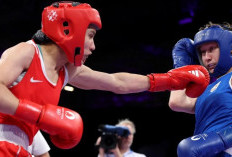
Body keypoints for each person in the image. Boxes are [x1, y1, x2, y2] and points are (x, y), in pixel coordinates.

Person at [0, 1, 209, 156]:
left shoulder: (67, 71)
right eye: (90, 36)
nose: (93, 46)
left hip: (21, 148)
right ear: (68, 30)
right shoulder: (26, 52)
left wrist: (167, 81)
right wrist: (39, 115)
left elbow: (116, 82)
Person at [169, 22, 232, 157]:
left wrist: (222, 138)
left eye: (211, 49)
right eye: (202, 52)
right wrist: (181, 67)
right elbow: (177, 102)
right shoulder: (209, 89)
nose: (206, 57)